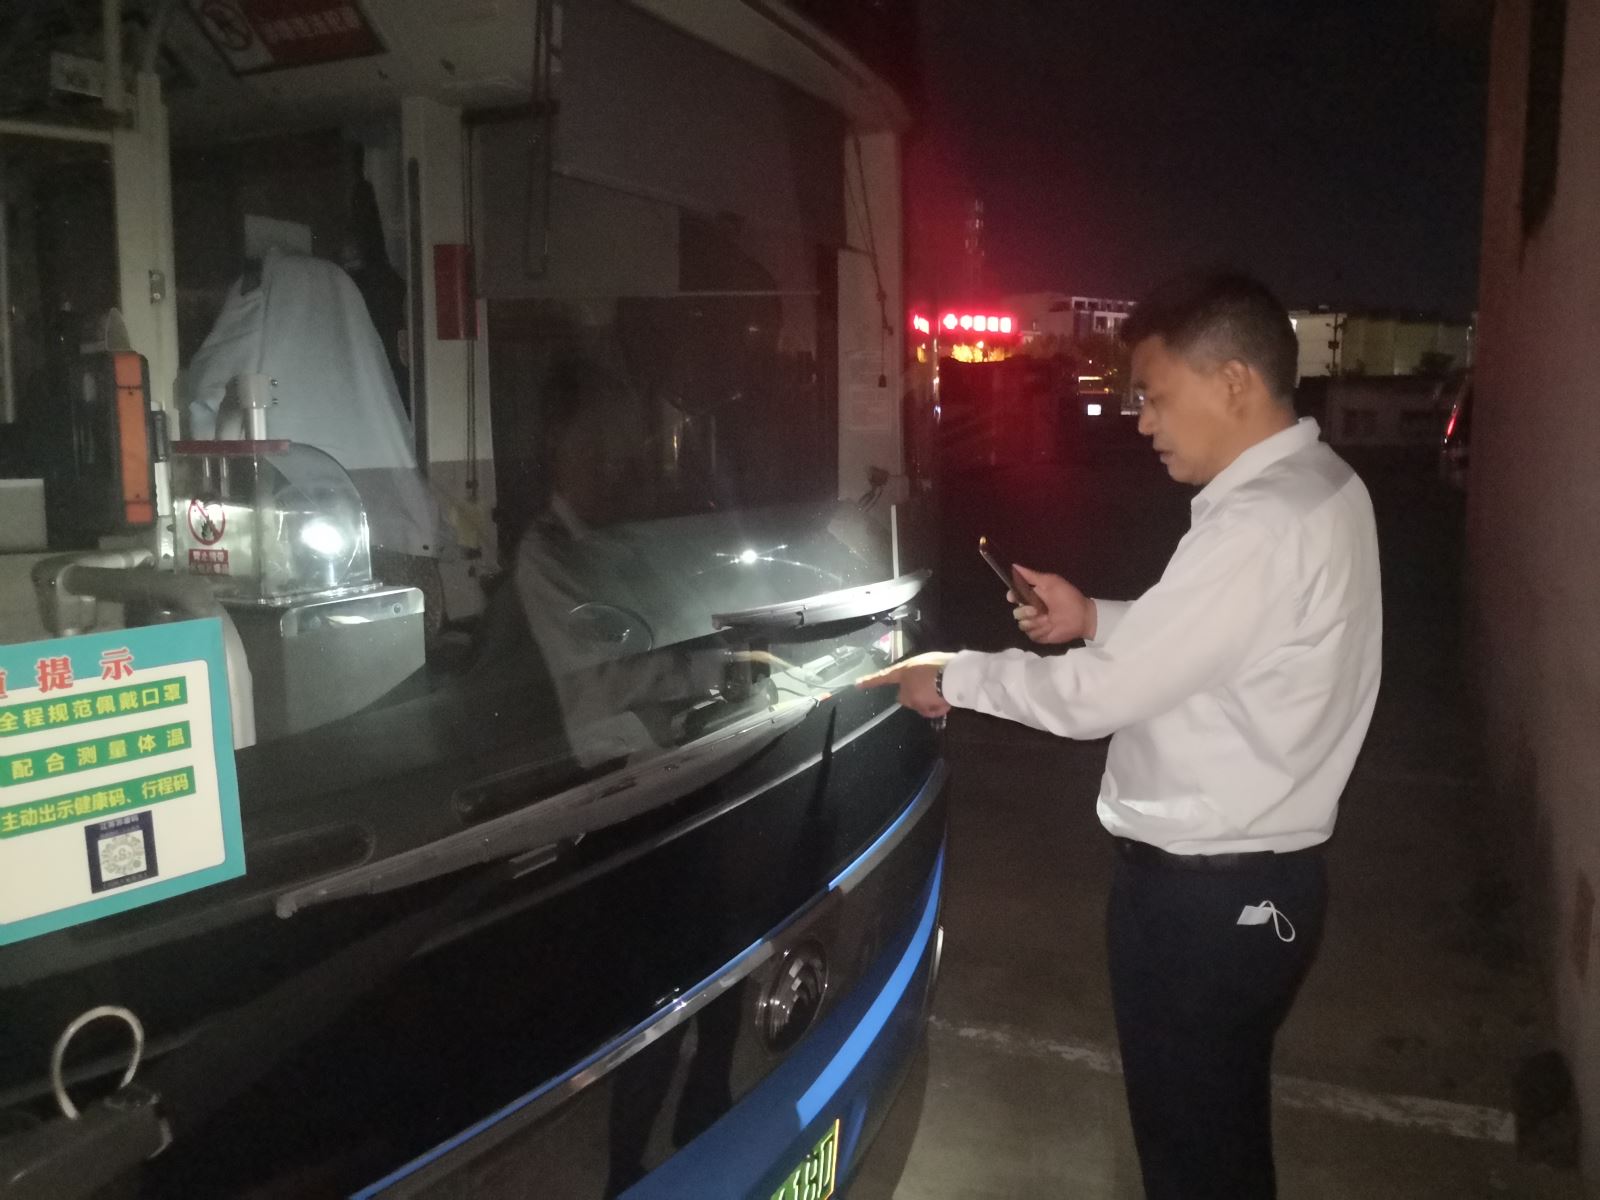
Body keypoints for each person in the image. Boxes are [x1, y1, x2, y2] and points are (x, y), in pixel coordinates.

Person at [860, 271, 1382, 1198]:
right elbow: (1225, 642)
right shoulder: (1321, 486)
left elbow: (1095, 700)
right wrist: (1094, 616)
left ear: (1233, 381)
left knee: (1192, 1158)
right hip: (1260, 890)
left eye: (1156, 395)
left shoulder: (1257, 525)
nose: (1142, 421)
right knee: (1221, 1138)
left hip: (1206, 903)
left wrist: (952, 677)